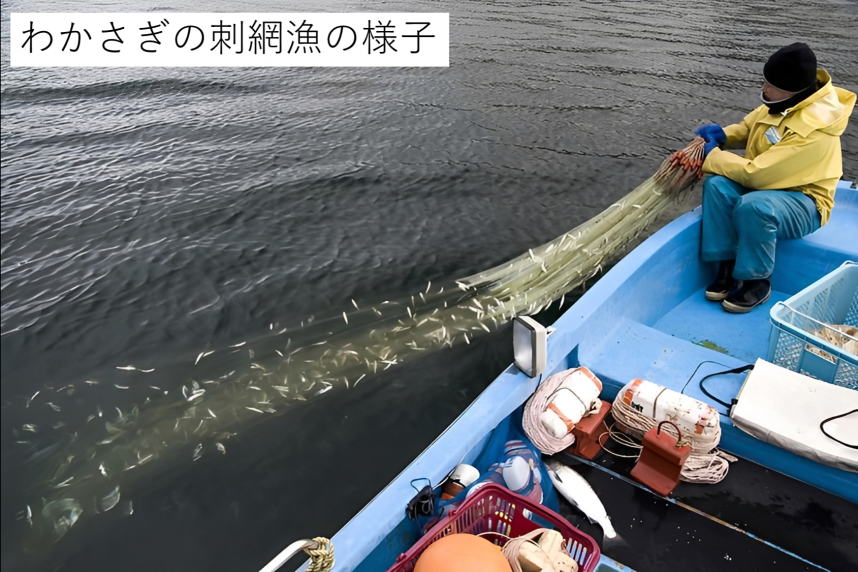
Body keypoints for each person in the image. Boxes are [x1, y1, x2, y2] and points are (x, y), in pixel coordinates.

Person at [695, 42, 855, 313]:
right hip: (770, 188)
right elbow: (751, 127)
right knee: (717, 185)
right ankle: (727, 265)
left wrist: (710, 157)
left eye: (770, 84)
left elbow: (757, 174)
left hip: (804, 201)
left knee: (755, 206)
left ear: (793, 90)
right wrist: (724, 135)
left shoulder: (814, 128)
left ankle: (756, 281)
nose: (764, 89)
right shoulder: (783, 102)